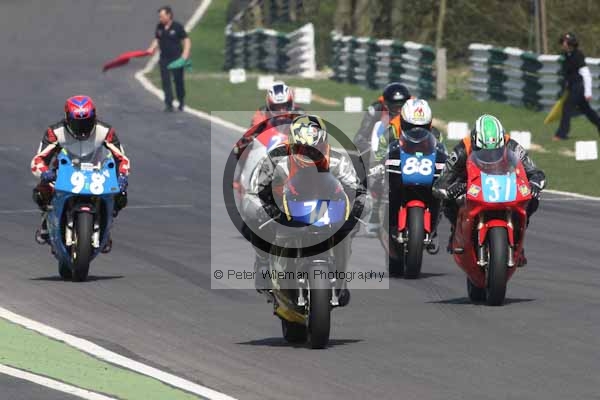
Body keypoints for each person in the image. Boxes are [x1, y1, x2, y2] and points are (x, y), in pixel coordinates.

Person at [241, 115, 367, 304]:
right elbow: (253, 192)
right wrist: (263, 208)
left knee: (352, 225)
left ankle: (340, 276)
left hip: (325, 209)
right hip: (284, 208)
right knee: (254, 216)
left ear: (325, 144)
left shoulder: (337, 161)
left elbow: (357, 189)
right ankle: (263, 263)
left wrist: (358, 203)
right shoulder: (276, 159)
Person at [433, 114, 545, 265]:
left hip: (504, 184)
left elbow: (535, 172)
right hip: (470, 185)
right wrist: (452, 189)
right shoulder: (463, 148)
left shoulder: (512, 146)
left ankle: (518, 234)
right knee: (448, 200)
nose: (490, 155)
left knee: (533, 198)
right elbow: (442, 181)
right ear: (474, 141)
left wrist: (535, 184)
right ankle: (456, 231)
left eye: (496, 150)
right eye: (483, 150)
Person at [31, 95, 130, 252]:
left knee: (121, 195)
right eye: (77, 123)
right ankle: (45, 222)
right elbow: (39, 159)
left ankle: (106, 226)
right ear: (67, 119)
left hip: (98, 171)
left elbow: (122, 158)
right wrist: (44, 173)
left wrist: (122, 176)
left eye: (87, 122)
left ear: (94, 117)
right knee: (41, 192)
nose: (82, 128)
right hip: (64, 172)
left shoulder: (106, 132)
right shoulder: (55, 132)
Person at [385, 99, 448, 253]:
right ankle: (382, 221)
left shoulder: (436, 134)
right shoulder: (391, 131)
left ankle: (434, 228)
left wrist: (445, 168)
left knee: (440, 194)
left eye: (423, 128)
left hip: (425, 170)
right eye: (411, 127)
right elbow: (379, 152)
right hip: (400, 169)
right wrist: (377, 165)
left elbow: (442, 153)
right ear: (403, 123)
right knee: (381, 189)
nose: (417, 132)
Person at [353, 82, 411, 236]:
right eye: (394, 106)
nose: (398, 110)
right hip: (380, 149)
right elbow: (360, 137)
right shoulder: (376, 110)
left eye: (401, 106)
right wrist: (369, 149)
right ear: (386, 103)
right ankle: (369, 213)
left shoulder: (414, 110)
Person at [233, 81, 304, 159]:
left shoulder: (299, 113)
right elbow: (251, 132)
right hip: (265, 148)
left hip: (292, 149)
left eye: (284, 106)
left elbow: (309, 128)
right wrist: (244, 141)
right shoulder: (263, 113)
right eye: (276, 107)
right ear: (269, 105)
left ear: (291, 103)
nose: (281, 110)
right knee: (240, 150)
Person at [553, 32, 600, 141]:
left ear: (570, 43)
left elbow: (586, 74)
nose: (562, 43)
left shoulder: (578, 55)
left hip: (579, 87)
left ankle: (561, 134)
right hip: (572, 86)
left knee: (567, 107)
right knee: (587, 110)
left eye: (564, 42)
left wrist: (588, 92)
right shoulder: (566, 55)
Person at [147, 6, 191, 112]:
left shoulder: (177, 27)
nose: (160, 19)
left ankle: (181, 100)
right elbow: (157, 39)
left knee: (178, 81)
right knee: (165, 81)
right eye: (160, 16)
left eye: (162, 16)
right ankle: (169, 104)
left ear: (169, 15)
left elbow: (186, 40)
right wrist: (151, 48)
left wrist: (185, 54)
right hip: (164, 58)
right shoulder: (159, 26)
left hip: (177, 58)